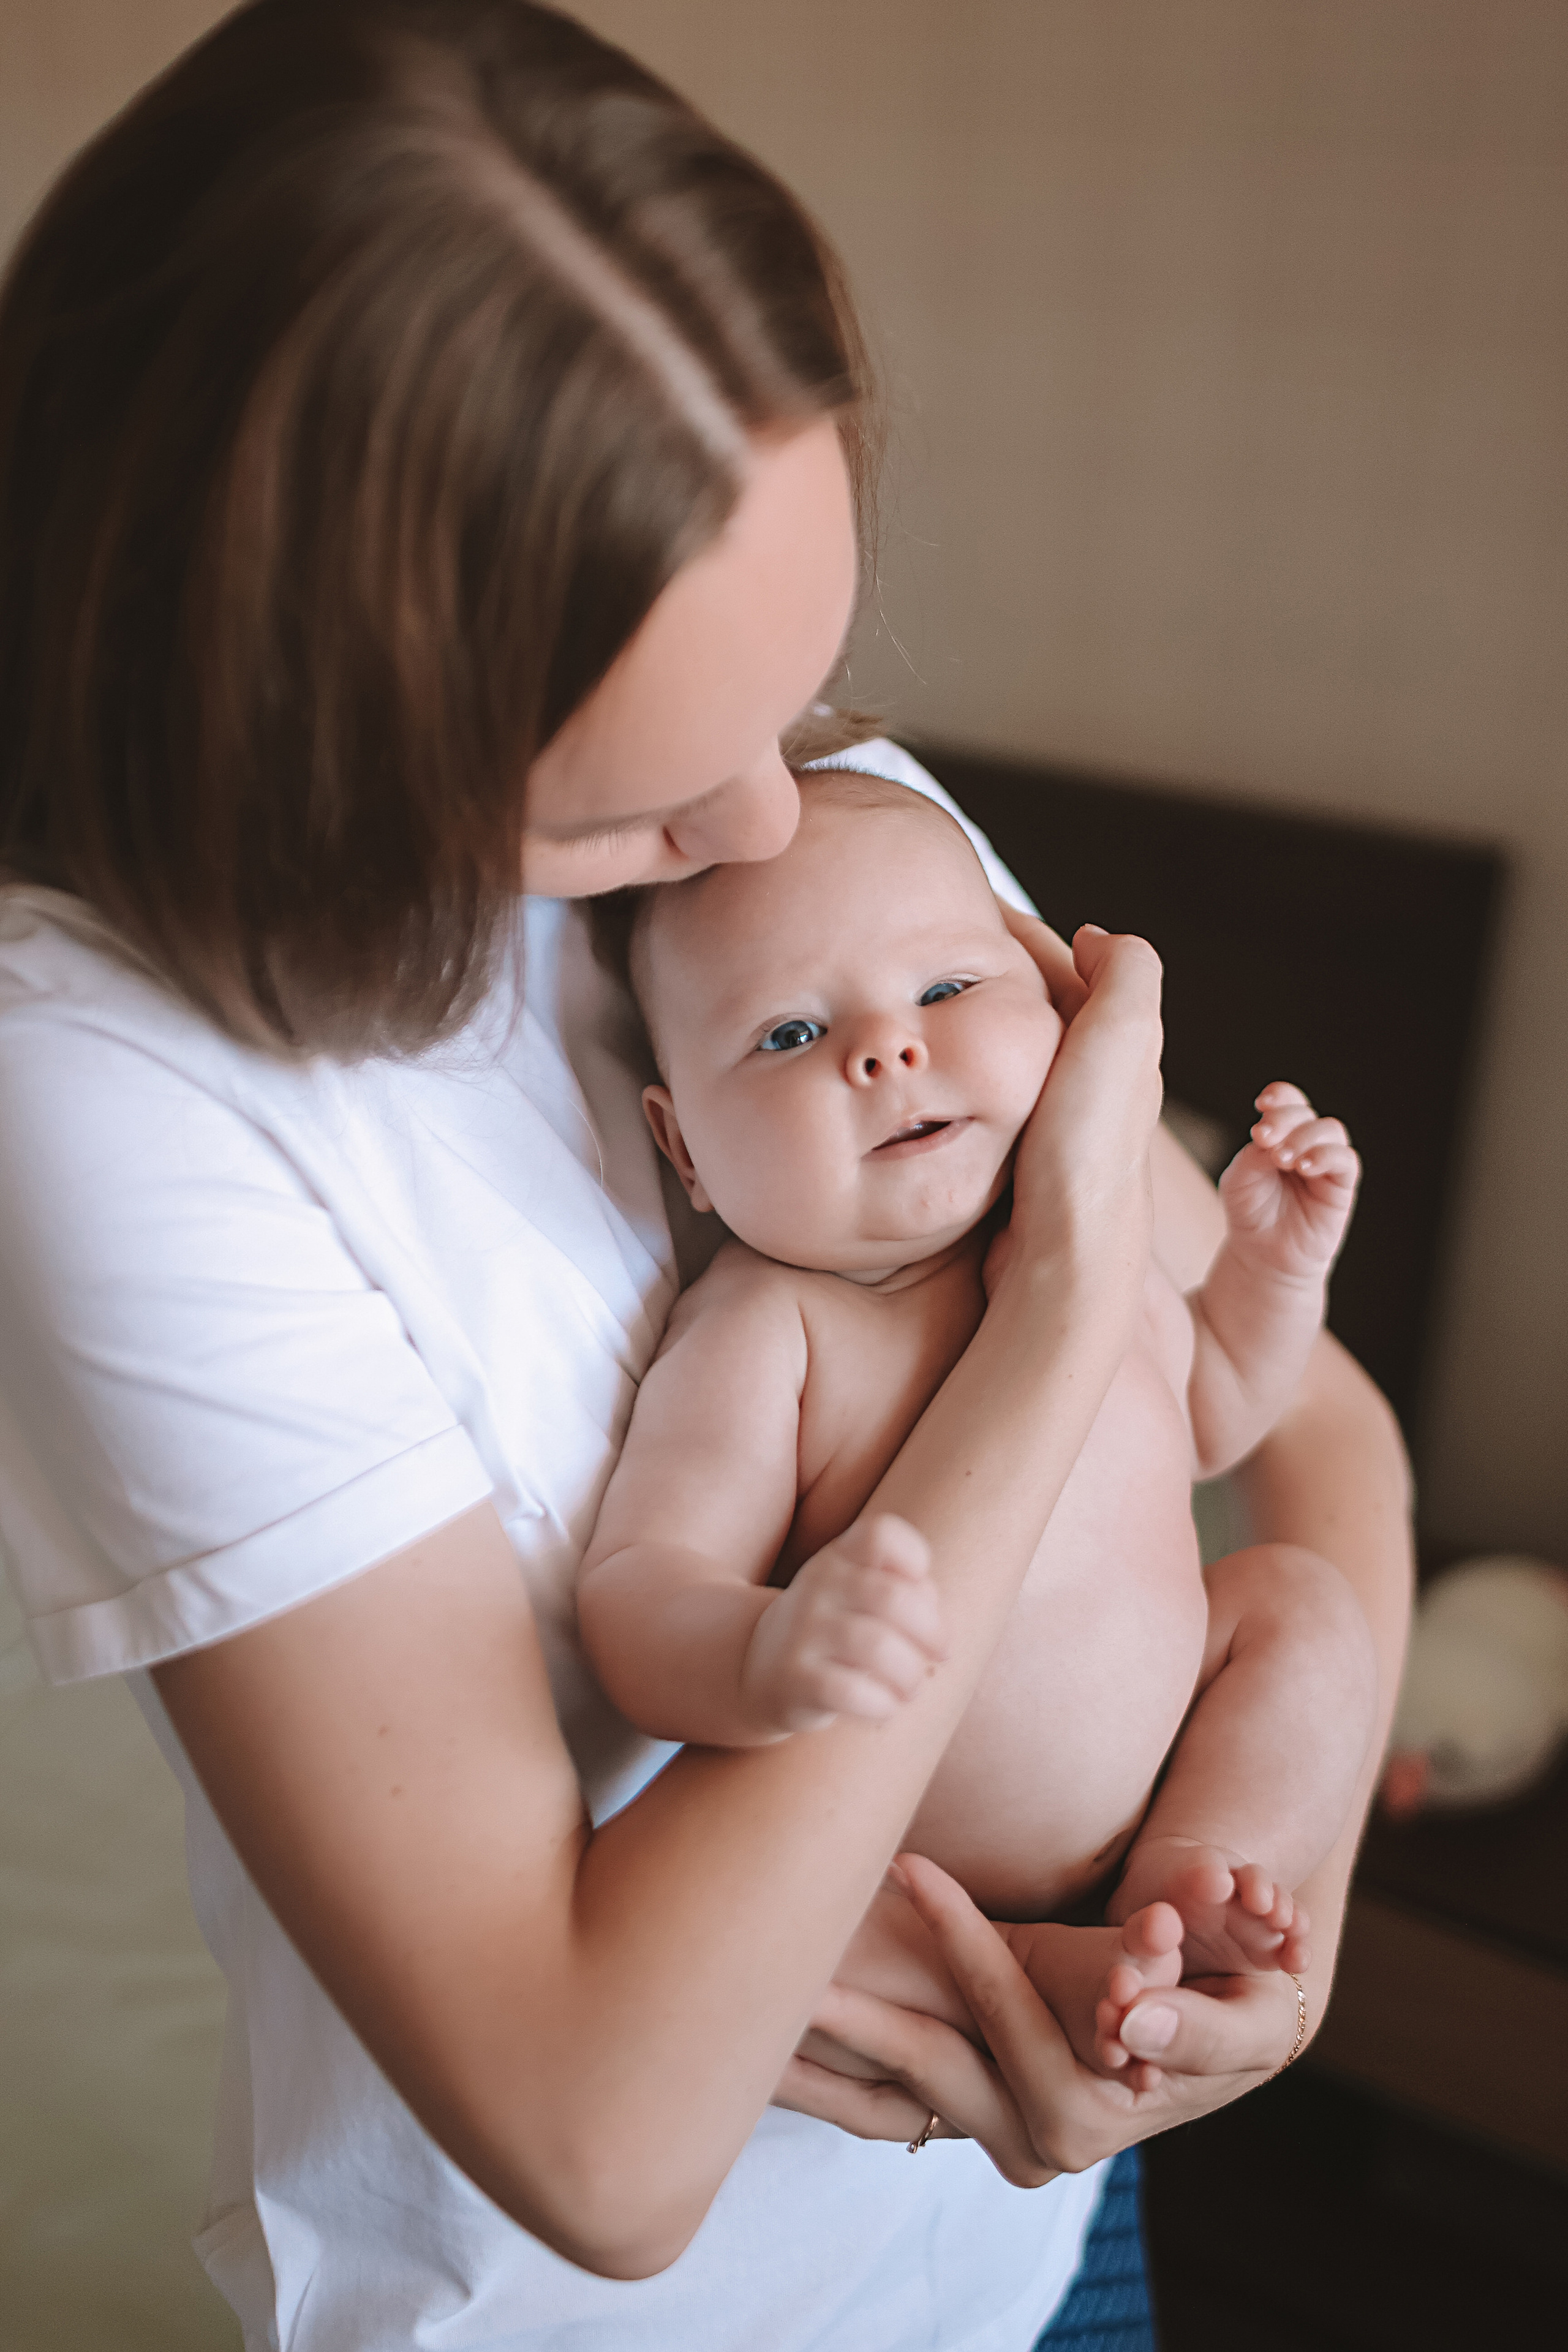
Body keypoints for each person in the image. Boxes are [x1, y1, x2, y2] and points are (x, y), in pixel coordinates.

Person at [0, 6, 1412, 2348]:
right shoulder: (119, 1099)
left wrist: (1292, 1876)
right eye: (636, 809)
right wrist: (1054, 1314)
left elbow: (1314, 1430)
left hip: (1035, 2232)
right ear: (306, 736)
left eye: (804, 694)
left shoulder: (840, 832)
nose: (771, 822)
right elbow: (608, 2140)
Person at [576, 768, 1378, 2076]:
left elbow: (1217, 1417)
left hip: (1170, 1752)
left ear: (1062, 1009)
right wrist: (766, 1648)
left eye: (945, 991)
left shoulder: (1094, 1234)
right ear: (685, 1155)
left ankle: (1194, 1869)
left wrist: (1272, 1275)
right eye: (785, 1035)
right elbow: (636, 1590)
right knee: (787, 1908)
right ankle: (1052, 1972)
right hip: (909, 1861)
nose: (887, 1051)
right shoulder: (773, 1329)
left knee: (1298, 1606)